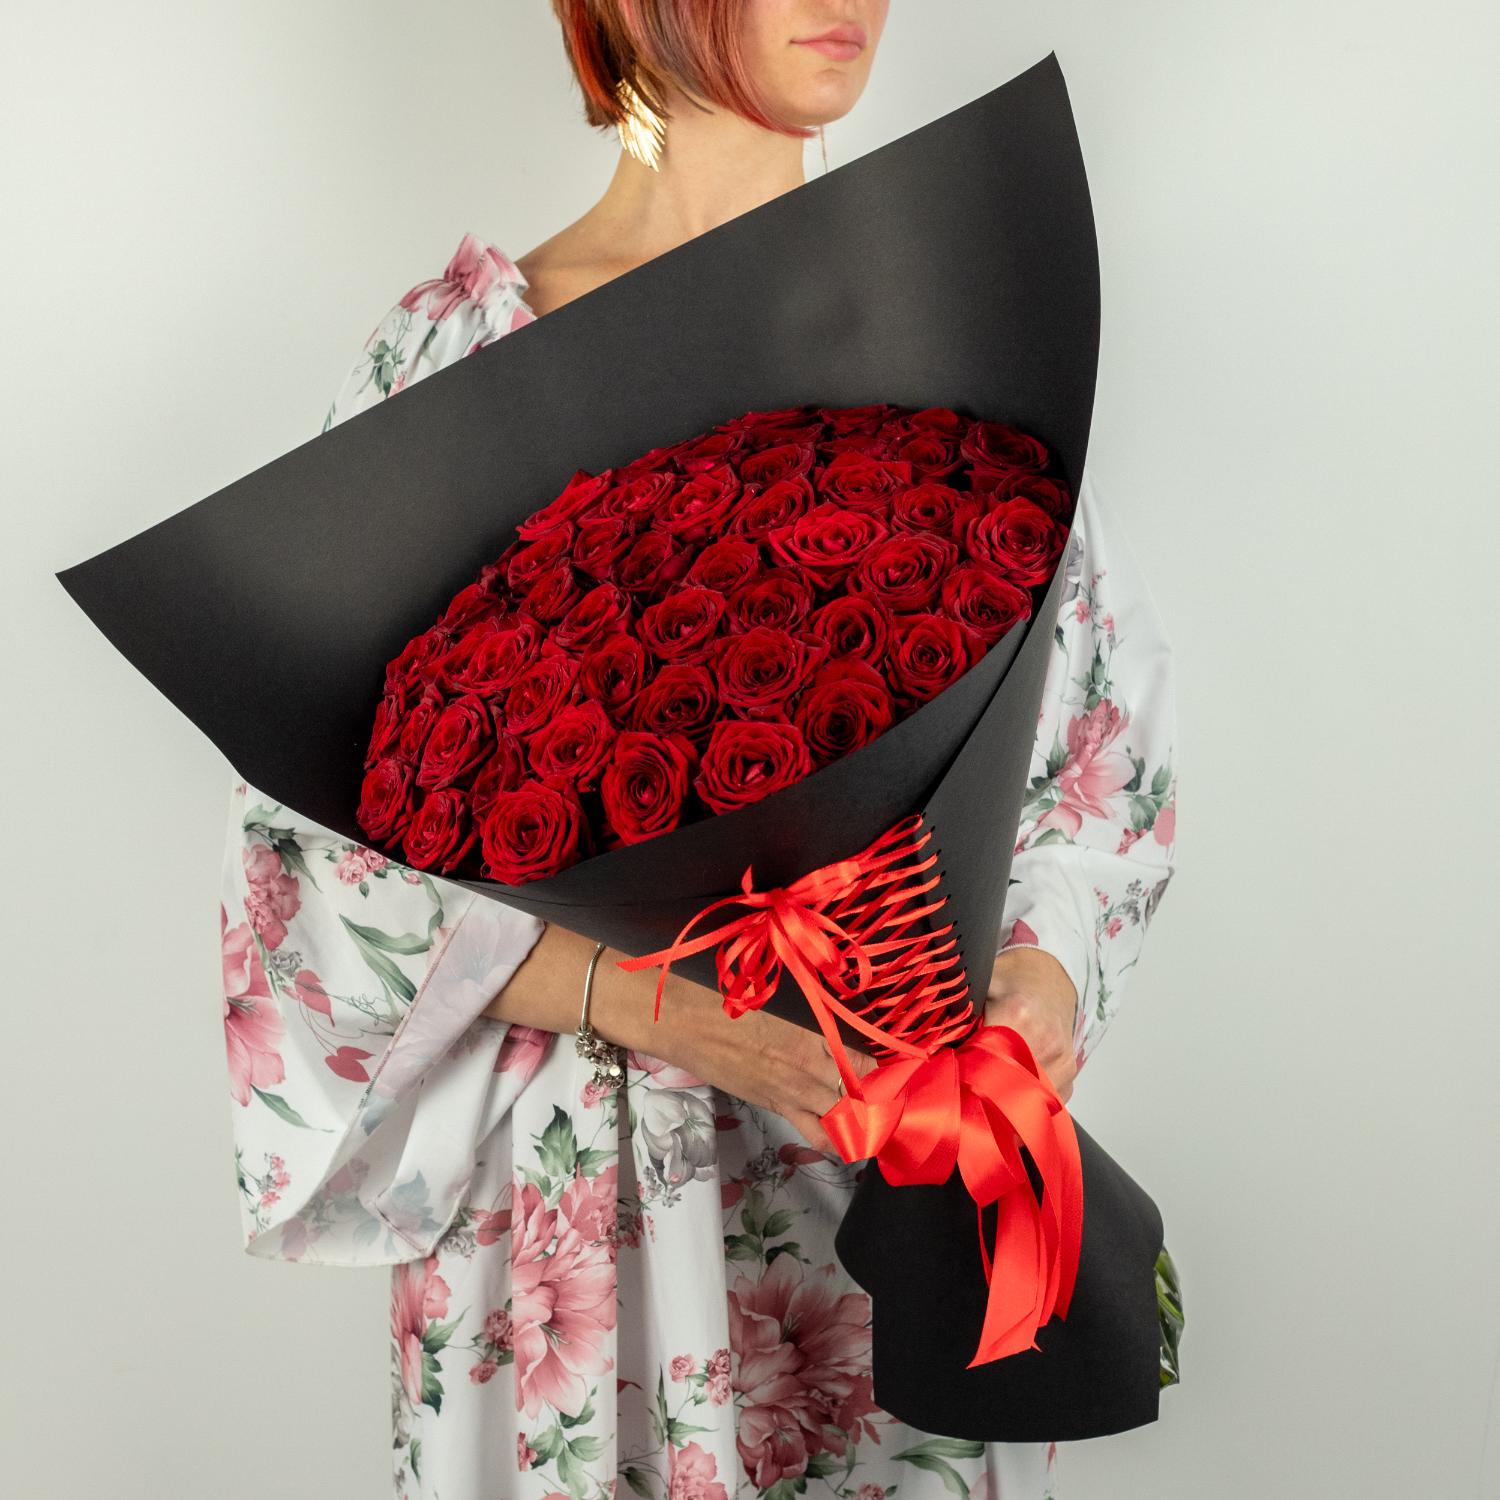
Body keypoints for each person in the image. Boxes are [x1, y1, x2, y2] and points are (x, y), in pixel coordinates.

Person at [220, 4, 1179, 1496]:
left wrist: (1039, 985)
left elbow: (1098, 747)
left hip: (885, 1164)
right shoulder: (453, 357)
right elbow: (312, 858)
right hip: (574, 1207)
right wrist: (658, 1006)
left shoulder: (941, 322)